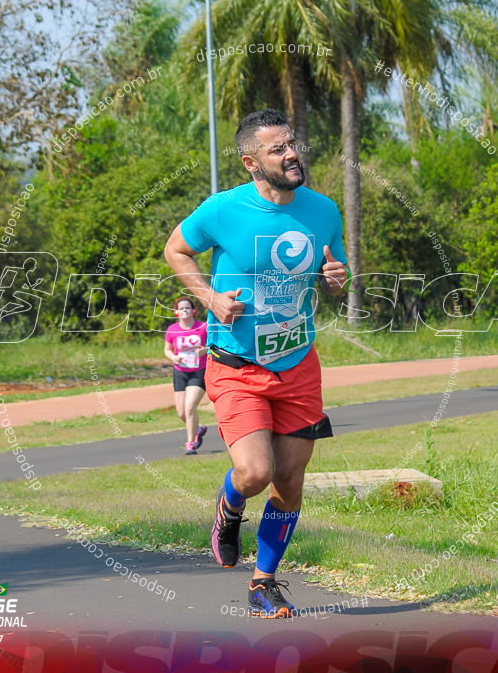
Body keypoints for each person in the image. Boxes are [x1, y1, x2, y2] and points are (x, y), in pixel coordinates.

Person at [164, 108, 348, 618]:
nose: (291, 154)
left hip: (297, 363)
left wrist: (337, 278)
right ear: (251, 162)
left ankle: (262, 583)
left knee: (289, 480)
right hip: (237, 364)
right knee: (254, 472)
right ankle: (230, 506)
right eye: (277, 149)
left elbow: (336, 266)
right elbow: (176, 250)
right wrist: (210, 299)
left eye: (293, 144)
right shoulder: (222, 210)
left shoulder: (323, 209)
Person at [164, 296, 208, 454]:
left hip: (198, 371)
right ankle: (198, 428)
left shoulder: (203, 327)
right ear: (177, 312)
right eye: (181, 308)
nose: (185, 310)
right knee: (181, 412)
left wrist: (205, 350)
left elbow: (214, 344)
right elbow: (167, 349)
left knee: (190, 408)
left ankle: (191, 443)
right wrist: (173, 357)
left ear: (194, 310)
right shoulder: (172, 329)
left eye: (188, 308)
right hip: (180, 372)